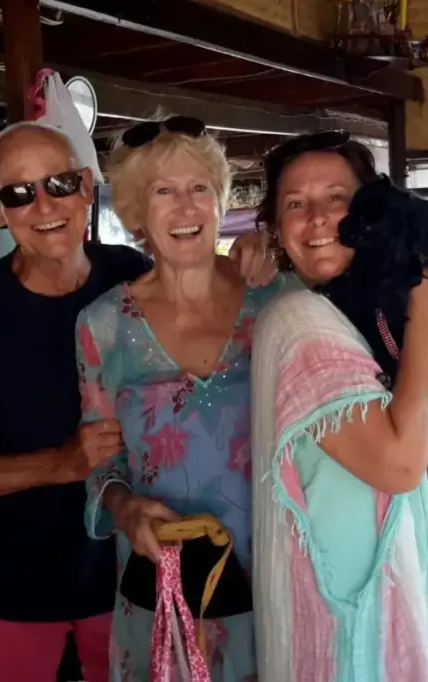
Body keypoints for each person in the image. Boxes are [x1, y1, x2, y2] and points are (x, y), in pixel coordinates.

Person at [0, 119, 276, 682]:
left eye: (59, 184)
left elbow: (195, 262)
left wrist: (258, 256)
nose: (44, 205)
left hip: (165, 583)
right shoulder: (4, 316)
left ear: (87, 188)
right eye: (19, 193)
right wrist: (64, 468)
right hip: (15, 582)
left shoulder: (254, 301)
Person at [249, 130, 428, 681]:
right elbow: (400, 464)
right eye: (296, 205)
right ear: (279, 231)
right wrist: (426, 317)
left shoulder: (394, 311)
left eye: (337, 198)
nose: (319, 219)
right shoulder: (298, 324)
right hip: (364, 633)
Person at [76, 116, 290, 682]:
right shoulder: (102, 325)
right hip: (162, 588)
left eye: (200, 188)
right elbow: (102, 465)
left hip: (278, 583)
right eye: (163, 192)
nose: (186, 208)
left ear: (221, 202)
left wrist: (281, 252)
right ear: (136, 214)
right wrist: (123, 508)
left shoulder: (277, 301)